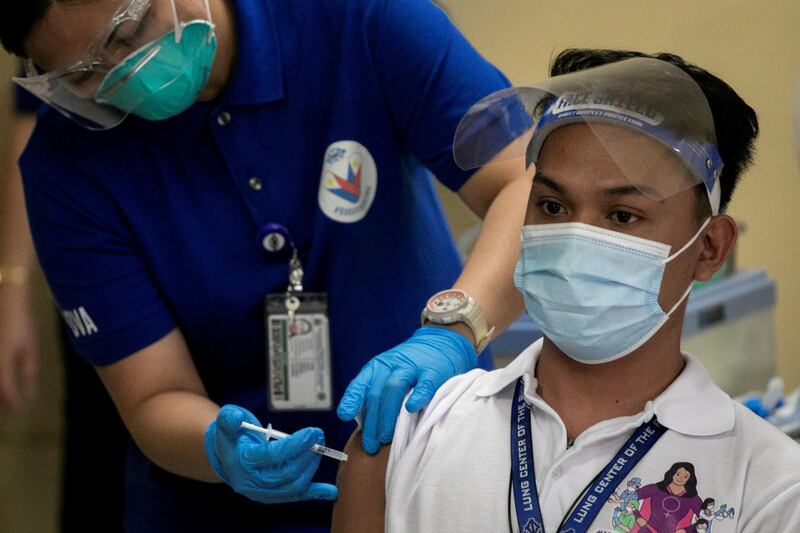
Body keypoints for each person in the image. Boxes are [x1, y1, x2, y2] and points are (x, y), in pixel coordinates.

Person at [0, 0, 530, 530]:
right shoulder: (65, 166)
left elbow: (522, 182)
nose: (124, 74)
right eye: (85, 75)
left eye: (129, 31)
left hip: (431, 468)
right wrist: (219, 448)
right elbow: (154, 393)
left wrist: (454, 331)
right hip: (217, 507)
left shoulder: (361, 18)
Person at [332, 49, 800, 533]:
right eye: (553, 206)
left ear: (708, 247)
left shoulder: (770, 490)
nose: (576, 237)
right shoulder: (413, 431)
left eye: (622, 216)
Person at [0, 81, 127, 530]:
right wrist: (12, 291)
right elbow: (33, 125)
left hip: (227, 263)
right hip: (106, 266)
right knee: (100, 461)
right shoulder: (56, 33)